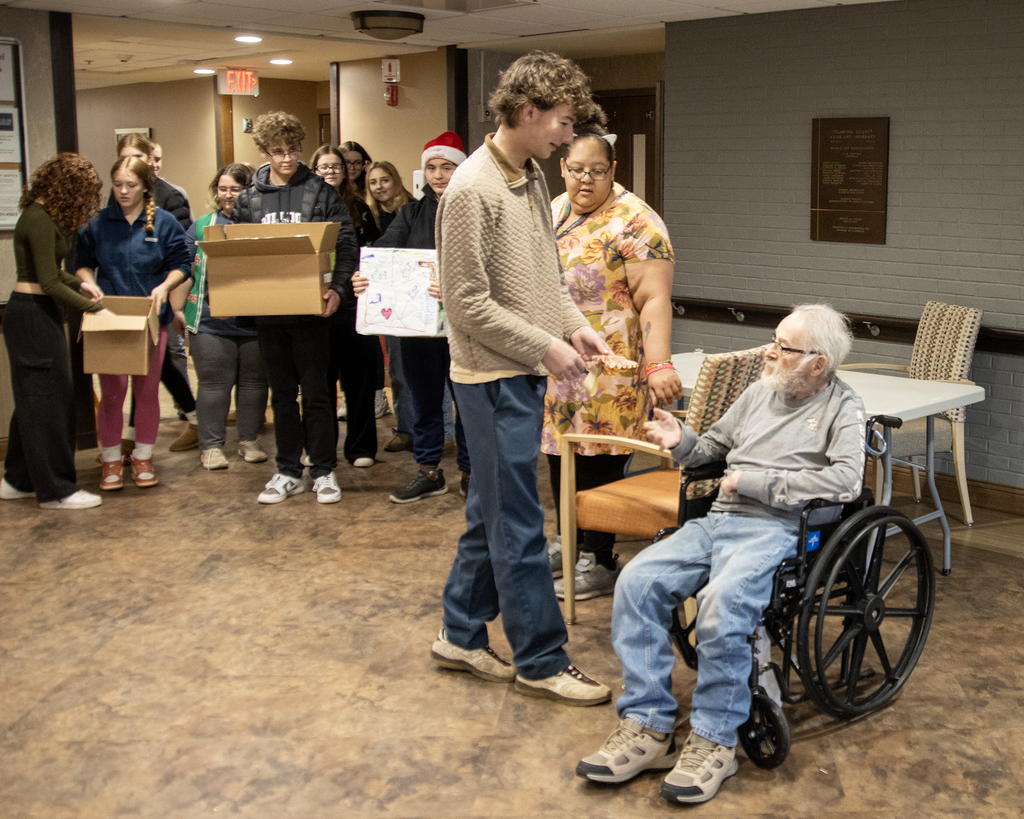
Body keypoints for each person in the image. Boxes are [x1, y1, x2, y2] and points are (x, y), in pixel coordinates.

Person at [577, 304, 865, 804]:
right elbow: (712, 446)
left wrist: (755, 481)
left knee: (721, 607)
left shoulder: (843, 406)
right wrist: (681, 440)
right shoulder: (760, 392)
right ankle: (648, 726)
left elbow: (846, 480)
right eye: (774, 340)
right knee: (636, 584)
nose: (770, 353)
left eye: (784, 347)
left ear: (817, 363)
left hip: (778, 529)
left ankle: (714, 740)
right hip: (720, 520)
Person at [431, 52, 612, 706]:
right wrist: (545, 345)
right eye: (562, 123)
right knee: (520, 524)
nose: (567, 137)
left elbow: (544, 274)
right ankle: (540, 657)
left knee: (493, 511)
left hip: (522, 369)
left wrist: (571, 326)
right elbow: (467, 302)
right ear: (528, 112)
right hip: (490, 378)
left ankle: (459, 631)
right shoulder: (472, 189)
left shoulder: (530, 176)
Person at [542, 122, 682, 601]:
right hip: (557, 363)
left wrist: (659, 364)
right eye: (576, 170)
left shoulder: (637, 221)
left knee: (598, 457)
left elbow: (655, 299)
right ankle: (569, 539)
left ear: (613, 170)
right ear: (561, 167)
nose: (585, 181)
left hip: (612, 366)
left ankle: (598, 558)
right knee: (560, 453)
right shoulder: (555, 210)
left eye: (596, 172)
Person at [232, 111, 358, 505]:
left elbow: (346, 244)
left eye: (293, 151)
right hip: (269, 315)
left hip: (313, 311)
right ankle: (288, 470)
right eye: (277, 152)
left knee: (317, 392)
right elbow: (235, 252)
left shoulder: (321, 192)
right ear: (262, 151)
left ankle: (322, 470)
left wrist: (338, 288)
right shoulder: (249, 199)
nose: (286, 159)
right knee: (282, 395)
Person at [352, 132, 472, 502]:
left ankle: (470, 472)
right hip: (417, 326)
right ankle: (429, 471)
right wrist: (365, 277)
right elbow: (384, 252)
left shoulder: (474, 209)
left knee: (467, 405)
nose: (438, 175)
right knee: (424, 402)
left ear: (461, 169)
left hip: (464, 327)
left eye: (447, 167)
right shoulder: (412, 212)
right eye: (432, 168)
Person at [75, 156, 192, 491]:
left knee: (146, 391)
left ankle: (142, 457)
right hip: (110, 318)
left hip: (151, 319)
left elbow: (182, 263)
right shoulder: (98, 223)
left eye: (131, 185)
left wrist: (165, 286)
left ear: (145, 187)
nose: (123, 191)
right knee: (113, 392)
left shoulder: (164, 222)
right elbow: (82, 263)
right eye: (118, 185)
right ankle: (111, 461)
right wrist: (88, 282)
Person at [1, 153, 106, 510]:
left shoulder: (41, 215)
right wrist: (94, 308)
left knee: (35, 400)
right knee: (49, 404)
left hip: (36, 313)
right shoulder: (38, 219)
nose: (82, 201)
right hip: (30, 315)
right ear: (66, 186)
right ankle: (56, 489)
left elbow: (49, 273)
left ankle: (17, 479)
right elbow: (46, 281)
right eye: (81, 192)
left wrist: (80, 286)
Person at [174, 163, 269, 471]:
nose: (228, 195)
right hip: (210, 322)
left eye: (236, 189)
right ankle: (212, 447)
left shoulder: (262, 223)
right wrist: (176, 308)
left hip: (255, 320)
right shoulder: (202, 224)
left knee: (254, 383)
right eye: (223, 188)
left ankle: (248, 441)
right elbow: (184, 267)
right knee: (214, 385)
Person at [115, 132, 198, 454]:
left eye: (137, 156)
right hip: (127, 299)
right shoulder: (118, 198)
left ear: (151, 159)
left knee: (152, 366)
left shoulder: (169, 197)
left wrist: (175, 302)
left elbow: (183, 253)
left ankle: (141, 437)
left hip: (161, 298)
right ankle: (190, 417)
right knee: (150, 366)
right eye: (124, 156)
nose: (131, 164)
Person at [310, 144, 380, 470]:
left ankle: (361, 446)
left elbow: (375, 253)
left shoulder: (360, 209)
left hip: (355, 305)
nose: (331, 172)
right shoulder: (305, 209)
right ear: (314, 171)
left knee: (359, 381)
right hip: (314, 307)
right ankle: (318, 449)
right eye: (324, 167)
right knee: (318, 383)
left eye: (336, 167)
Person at [365, 160, 415, 452]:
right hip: (382, 299)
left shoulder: (412, 210)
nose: (379, 186)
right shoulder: (365, 215)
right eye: (373, 182)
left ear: (395, 180)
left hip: (412, 297)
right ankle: (405, 429)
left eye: (385, 180)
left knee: (420, 371)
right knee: (396, 368)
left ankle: (434, 431)